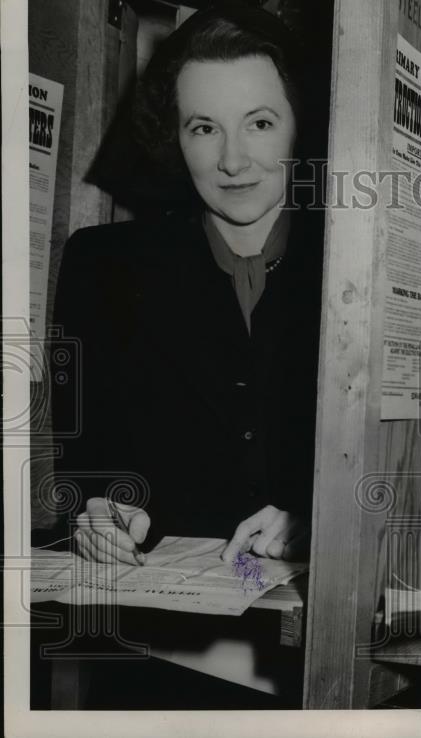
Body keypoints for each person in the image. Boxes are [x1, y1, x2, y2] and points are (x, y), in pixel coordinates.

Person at [51, 5, 323, 566]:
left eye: (260, 123)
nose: (232, 159)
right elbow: (85, 466)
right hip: (161, 630)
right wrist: (100, 512)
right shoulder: (102, 268)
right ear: (174, 137)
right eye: (204, 127)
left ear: (301, 126)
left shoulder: (351, 272)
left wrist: (317, 517)